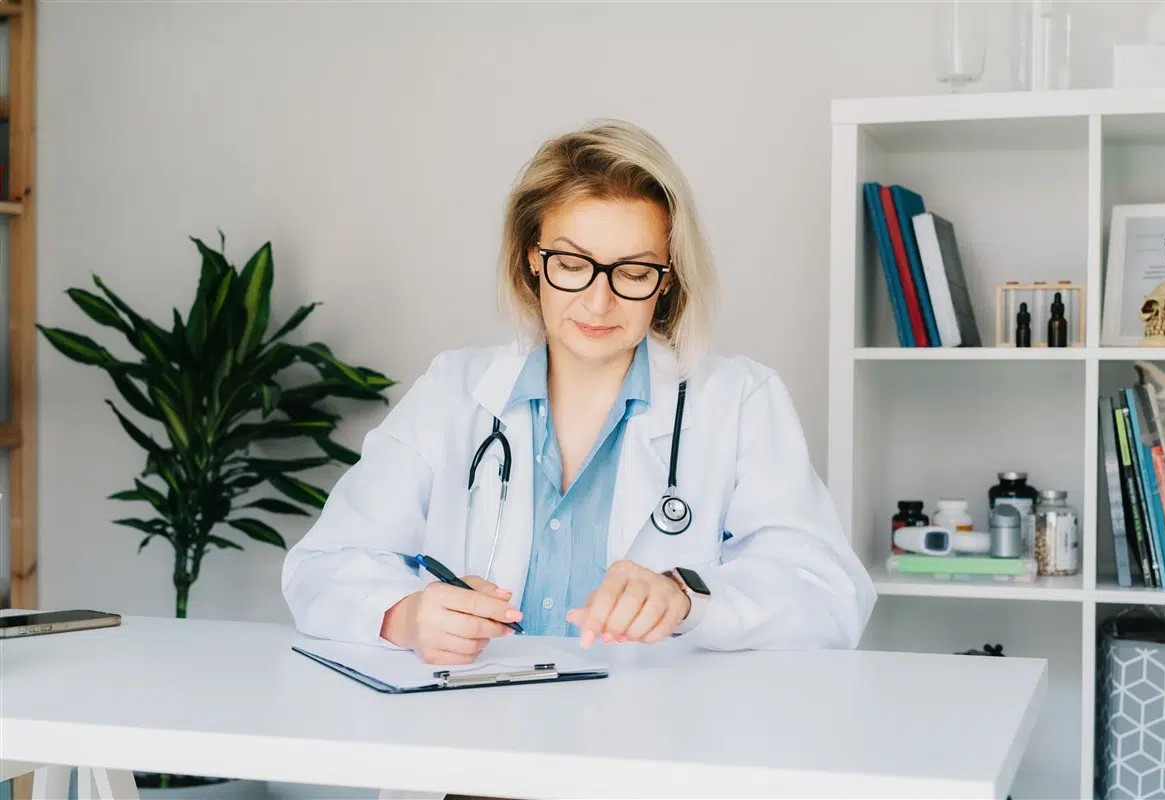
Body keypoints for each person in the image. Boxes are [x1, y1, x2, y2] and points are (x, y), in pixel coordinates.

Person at [281, 119, 876, 665]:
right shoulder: (453, 391)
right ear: (530, 261)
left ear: (668, 281)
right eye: (572, 263)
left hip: (654, 755)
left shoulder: (740, 399)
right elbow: (323, 566)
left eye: (635, 272)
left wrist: (688, 597)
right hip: (474, 737)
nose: (599, 301)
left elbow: (829, 595)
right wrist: (403, 615)